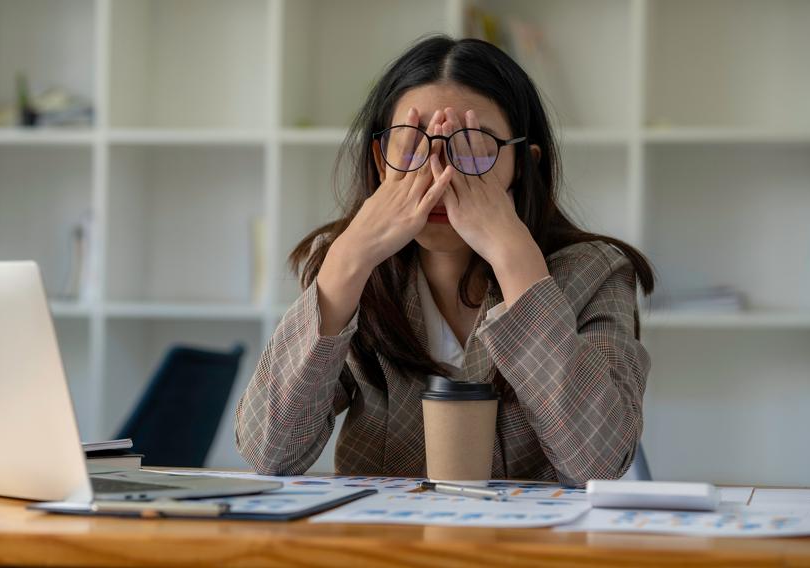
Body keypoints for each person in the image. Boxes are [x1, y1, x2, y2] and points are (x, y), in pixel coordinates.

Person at [235, 35, 654, 486]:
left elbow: (599, 463)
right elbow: (268, 452)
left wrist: (517, 263)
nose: (439, 173)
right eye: (412, 144)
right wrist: (347, 261)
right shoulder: (350, 270)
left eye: (472, 146)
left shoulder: (596, 272)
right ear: (380, 161)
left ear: (524, 164)